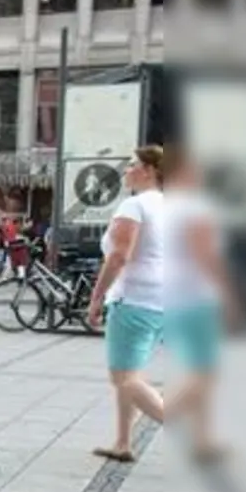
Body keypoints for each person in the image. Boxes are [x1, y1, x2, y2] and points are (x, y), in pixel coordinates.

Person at [87, 145, 167, 463]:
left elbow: (120, 256)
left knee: (124, 378)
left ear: (149, 170)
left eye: (132, 164)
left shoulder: (134, 205)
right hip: (162, 299)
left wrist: (96, 297)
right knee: (131, 373)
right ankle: (122, 442)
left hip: (133, 298)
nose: (126, 170)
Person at [161, 149, 234, 464]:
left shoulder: (169, 206)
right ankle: (164, 411)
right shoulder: (195, 208)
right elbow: (206, 255)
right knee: (205, 372)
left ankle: (203, 440)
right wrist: (229, 295)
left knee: (196, 367)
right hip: (197, 296)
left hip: (174, 295)